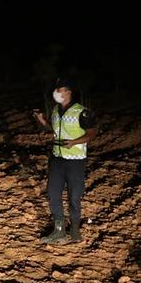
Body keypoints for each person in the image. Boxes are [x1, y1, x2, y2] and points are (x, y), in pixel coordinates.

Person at [33, 77, 98, 243]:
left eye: (59, 90)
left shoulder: (82, 112)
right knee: (53, 193)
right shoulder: (55, 110)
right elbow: (54, 128)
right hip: (57, 158)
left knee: (74, 196)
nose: (56, 93)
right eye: (56, 90)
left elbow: (92, 133)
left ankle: (75, 228)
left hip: (75, 160)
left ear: (68, 92)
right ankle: (59, 229)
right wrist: (43, 121)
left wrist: (74, 142)